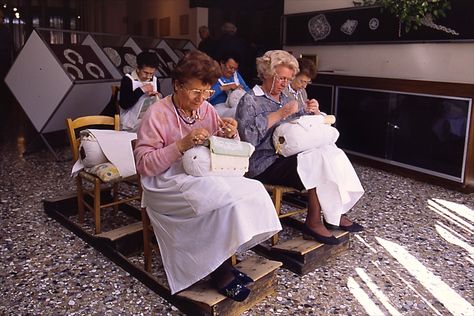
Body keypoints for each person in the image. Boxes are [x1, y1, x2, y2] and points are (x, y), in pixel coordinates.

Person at [134, 50, 281, 301]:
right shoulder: (157, 114)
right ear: (178, 85)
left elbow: (219, 146)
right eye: (195, 92)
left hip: (201, 174)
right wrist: (180, 145)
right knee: (220, 198)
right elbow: (144, 165)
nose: (201, 99)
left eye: (207, 92)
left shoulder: (206, 109)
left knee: (251, 190)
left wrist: (229, 134)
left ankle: (221, 262)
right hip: (165, 182)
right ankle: (220, 271)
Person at [236, 50, 364, 245]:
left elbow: (301, 130)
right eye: (280, 78)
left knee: (330, 153)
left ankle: (335, 212)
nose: (284, 84)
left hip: (289, 156)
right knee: (315, 160)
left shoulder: (287, 99)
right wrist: (279, 114)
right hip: (263, 162)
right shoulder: (250, 100)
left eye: (288, 79)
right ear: (266, 74)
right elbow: (248, 140)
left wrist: (314, 112)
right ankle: (314, 221)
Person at [118, 51, 162, 132]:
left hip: (149, 120)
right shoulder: (128, 79)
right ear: (138, 68)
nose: (148, 76)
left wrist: (157, 96)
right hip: (130, 121)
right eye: (145, 73)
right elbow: (124, 104)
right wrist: (142, 90)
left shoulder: (155, 80)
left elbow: (159, 102)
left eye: (151, 73)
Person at [209, 51, 250, 117]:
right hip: (219, 107)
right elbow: (207, 96)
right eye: (230, 67)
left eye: (235, 69)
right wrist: (225, 87)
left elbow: (247, 89)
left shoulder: (235, 75)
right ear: (222, 64)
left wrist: (242, 89)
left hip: (236, 104)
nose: (233, 71)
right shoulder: (213, 75)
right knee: (238, 112)